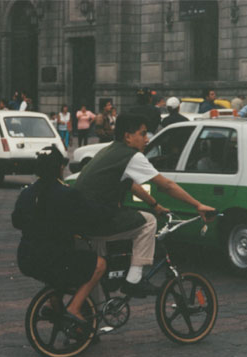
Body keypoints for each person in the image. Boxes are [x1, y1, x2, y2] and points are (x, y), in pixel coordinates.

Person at [75, 113, 215, 298]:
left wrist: (155, 205)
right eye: (142, 134)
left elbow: (130, 184)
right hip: (97, 218)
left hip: (81, 217)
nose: (147, 139)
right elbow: (166, 185)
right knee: (148, 222)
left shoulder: (110, 151)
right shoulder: (131, 156)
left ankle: (94, 314)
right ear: (128, 136)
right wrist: (198, 205)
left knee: (100, 272)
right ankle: (134, 280)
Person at [12, 145, 109, 323]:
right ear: (60, 168)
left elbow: (16, 221)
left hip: (26, 258)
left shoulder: (27, 192)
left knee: (58, 266)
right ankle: (74, 308)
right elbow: (92, 216)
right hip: (53, 258)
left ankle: (54, 303)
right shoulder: (66, 193)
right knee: (99, 264)